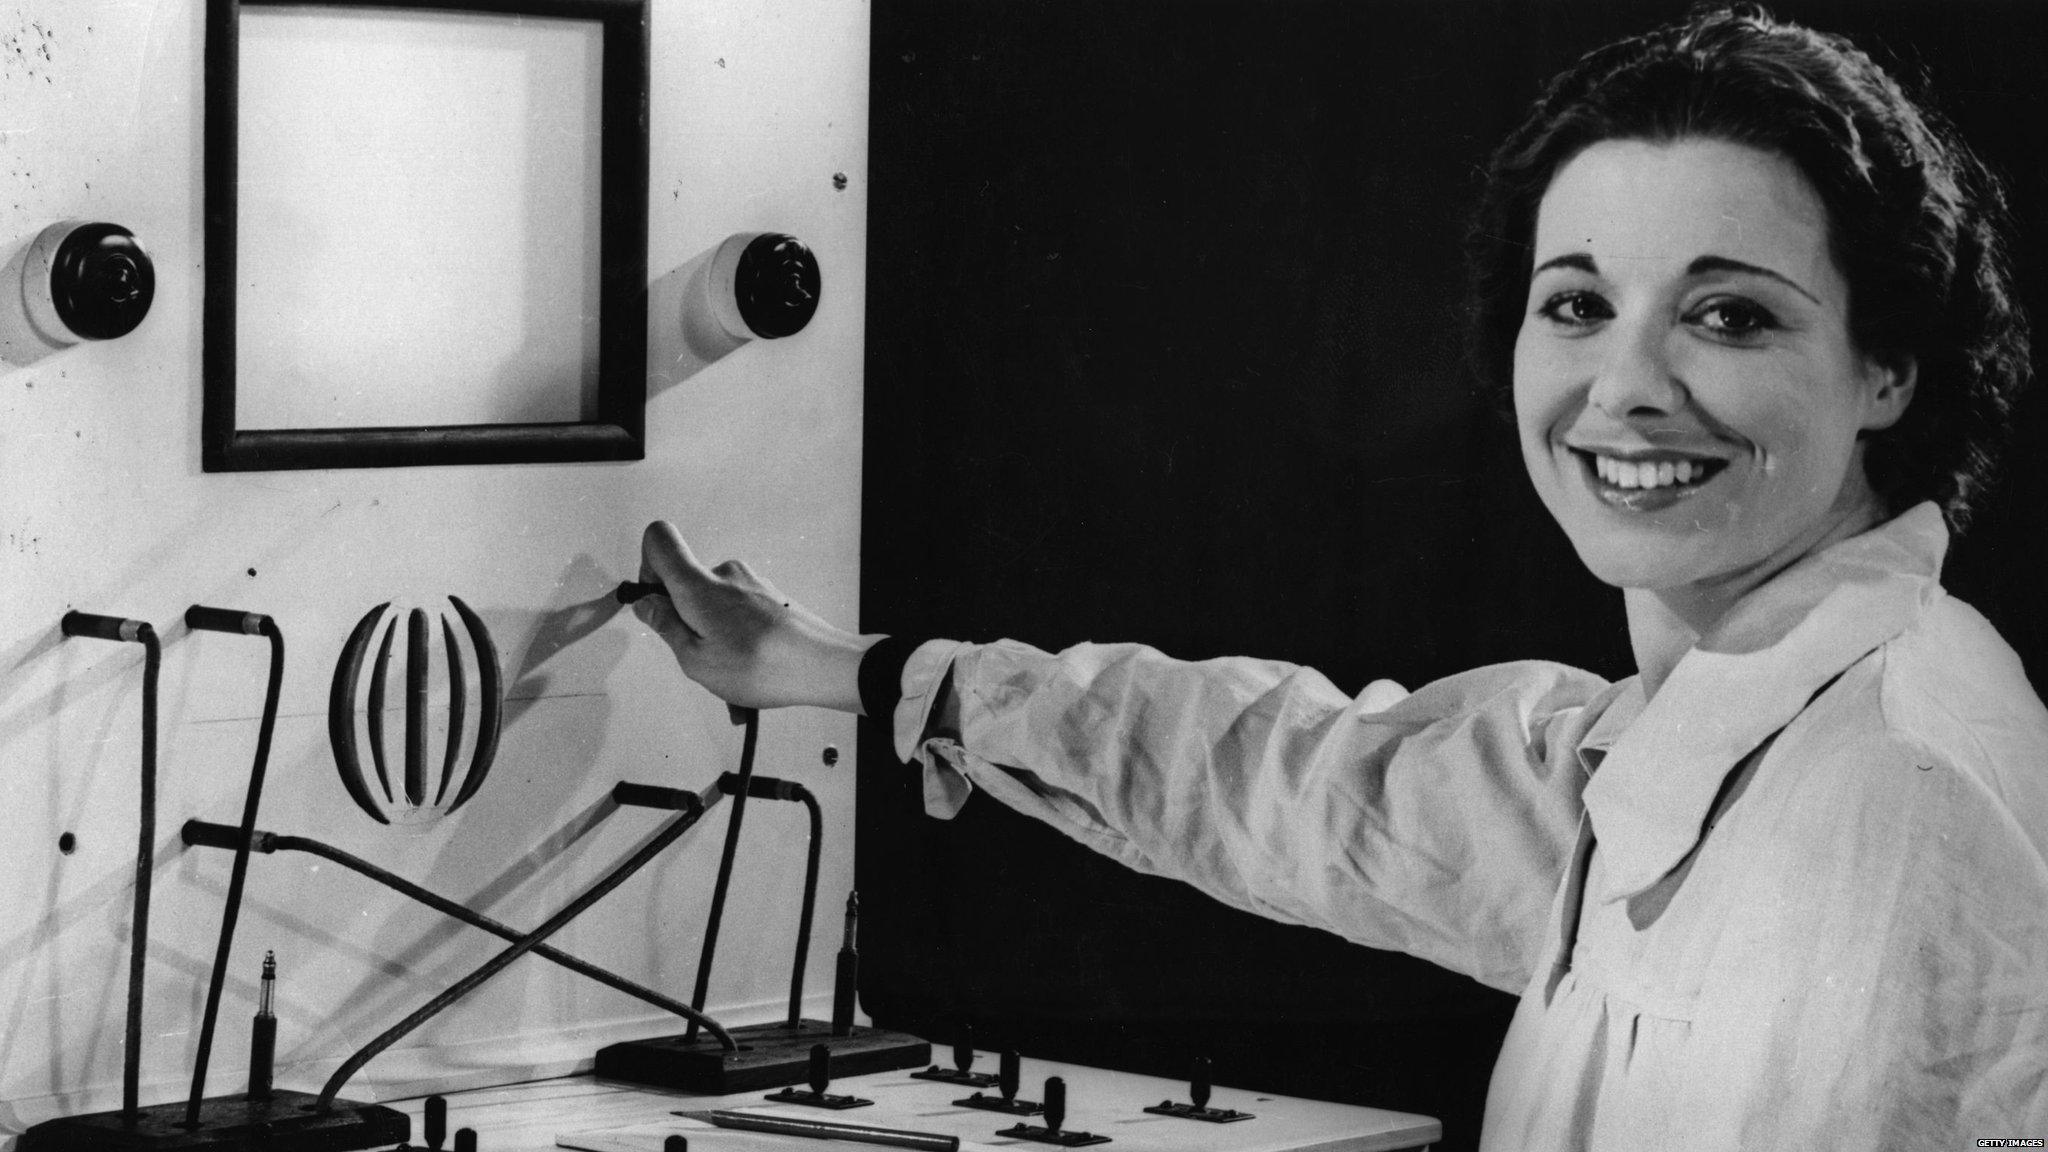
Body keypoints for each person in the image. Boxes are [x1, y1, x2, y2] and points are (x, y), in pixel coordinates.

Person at [632, 6, 2048, 1147]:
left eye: (1729, 315)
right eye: (1578, 305)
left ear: (1888, 369)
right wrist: (846, 671)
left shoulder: (1893, 797)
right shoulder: (1701, 734)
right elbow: (1301, 781)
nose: (1624, 389)